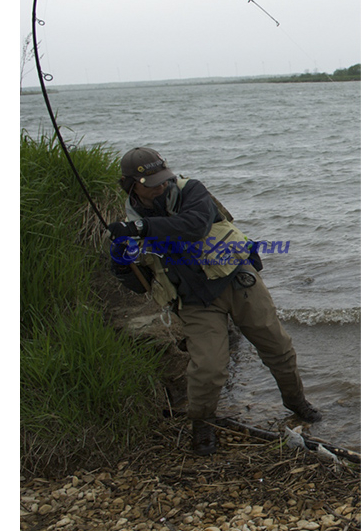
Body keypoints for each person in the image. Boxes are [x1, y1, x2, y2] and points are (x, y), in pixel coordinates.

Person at [107, 147, 321, 456]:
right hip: (195, 300)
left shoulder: (191, 191)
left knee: (278, 347)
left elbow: (194, 226)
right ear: (130, 186)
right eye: (151, 183)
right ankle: (202, 424)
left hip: (237, 280)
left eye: (163, 178)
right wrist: (121, 263)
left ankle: (296, 402)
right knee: (208, 368)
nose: (161, 185)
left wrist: (141, 229)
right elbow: (139, 286)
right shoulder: (128, 227)